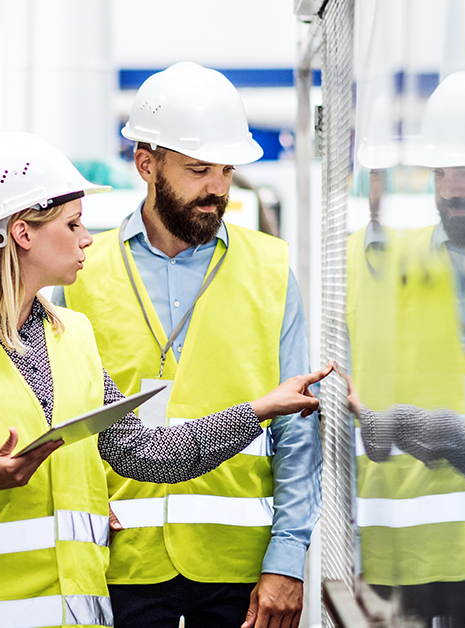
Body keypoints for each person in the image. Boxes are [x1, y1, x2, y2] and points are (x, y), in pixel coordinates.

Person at [0, 131, 333, 628]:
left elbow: (146, 452)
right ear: (23, 233)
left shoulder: (71, 337)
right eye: (73, 224)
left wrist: (258, 411)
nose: (88, 237)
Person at [59, 62, 320, 628]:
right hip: (118, 561)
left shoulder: (270, 269)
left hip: (239, 567)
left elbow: (298, 431)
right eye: (199, 170)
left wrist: (287, 558)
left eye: (226, 170)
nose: (217, 189)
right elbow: (63, 419)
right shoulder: (81, 273)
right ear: (146, 165)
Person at [344, 70, 465, 627]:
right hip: (406, 562)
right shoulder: (366, 263)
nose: (458, 194)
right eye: (446, 176)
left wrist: (398, 424)